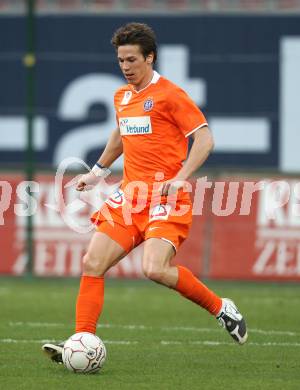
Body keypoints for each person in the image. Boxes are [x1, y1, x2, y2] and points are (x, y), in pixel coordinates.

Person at [42, 22, 247, 364]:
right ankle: (82, 340)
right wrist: (97, 172)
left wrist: (182, 177)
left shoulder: (170, 94)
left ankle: (221, 306)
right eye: (121, 60)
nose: (125, 67)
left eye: (132, 60)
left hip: (167, 199)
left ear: (150, 58)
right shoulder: (122, 96)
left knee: (154, 269)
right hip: (130, 197)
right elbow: (121, 134)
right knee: (92, 262)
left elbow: (205, 138)